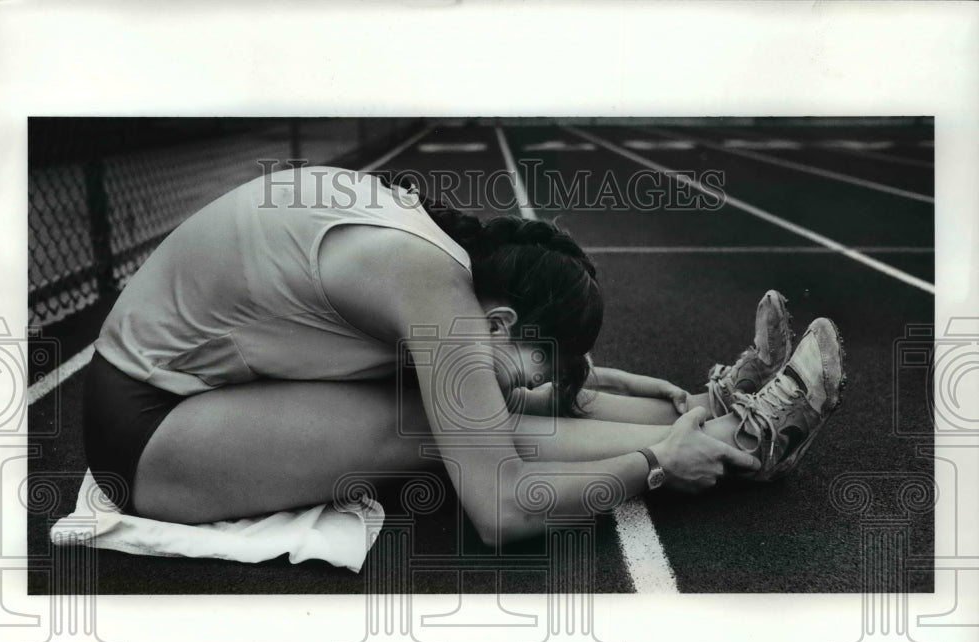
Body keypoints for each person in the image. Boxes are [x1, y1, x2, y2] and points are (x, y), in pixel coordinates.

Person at [83, 166, 845, 545]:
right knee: (427, 423)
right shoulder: (430, 289)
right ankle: (745, 441)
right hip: (148, 432)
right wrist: (654, 466)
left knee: (478, 402)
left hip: (199, 394)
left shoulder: (451, 261)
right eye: (534, 359)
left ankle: (721, 414)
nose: (534, 383)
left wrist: (644, 388)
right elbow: (500, 508)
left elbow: (530, 380)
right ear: (504, 316)